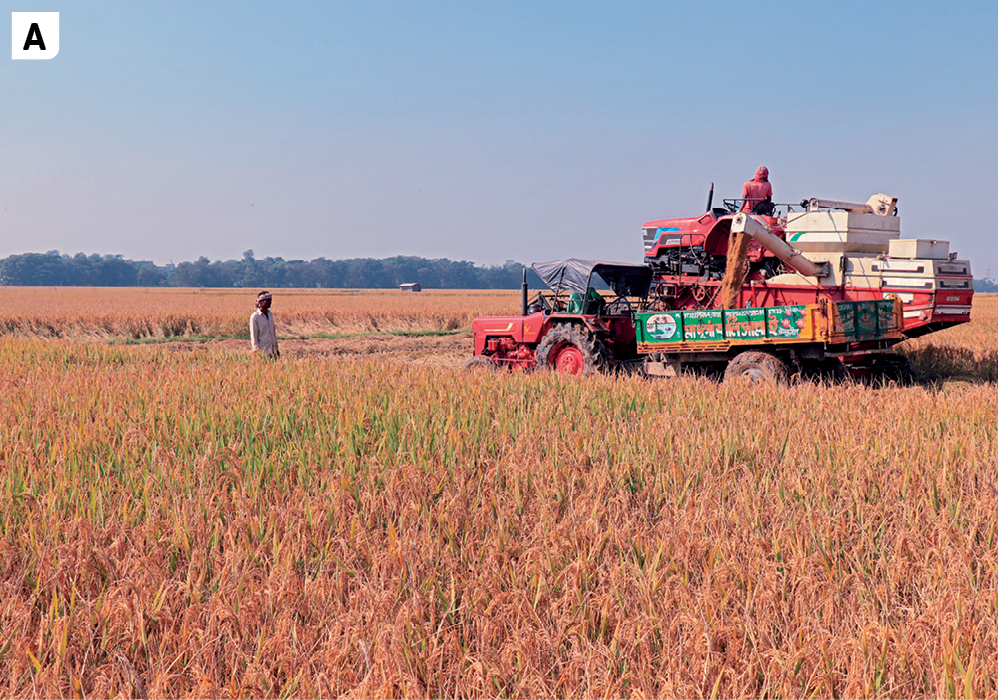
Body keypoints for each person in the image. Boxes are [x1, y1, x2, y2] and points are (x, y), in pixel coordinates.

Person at [250, 290, 280, 358]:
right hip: (263, 352)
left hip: (273, 351)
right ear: (261, 302)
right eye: (267, 300)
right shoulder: (255, 317)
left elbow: (273, 333)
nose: (270, 302)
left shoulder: (270, 314)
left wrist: (276, 349)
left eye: (270, 300)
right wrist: (256, 351)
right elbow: (253, 335)